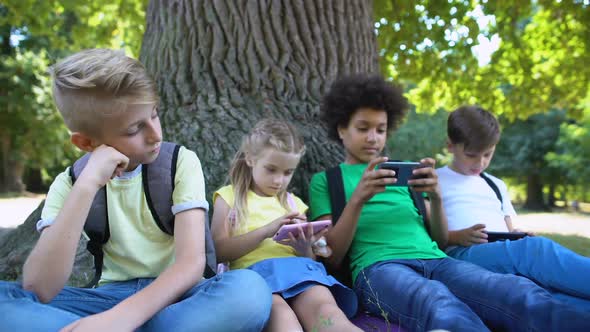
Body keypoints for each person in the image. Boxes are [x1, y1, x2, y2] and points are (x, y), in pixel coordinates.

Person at [0, 49, 271, 331]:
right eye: (134, 129)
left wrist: (118, 321)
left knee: (248, 290)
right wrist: (88, 184)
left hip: (178, 300)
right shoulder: (69, 183)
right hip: (105, 300)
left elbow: (192, 263)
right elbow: (40, 287)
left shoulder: (180, 162)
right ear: (86, 143)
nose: (156, 134)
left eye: (154, 115)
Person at [308, 74, 590, 332]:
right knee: (438, 302)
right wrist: (358, 199)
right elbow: (332, 256)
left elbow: (440, 241)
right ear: (342, 129)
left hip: (437, 260)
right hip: (379, 268)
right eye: (363, 128)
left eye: (381, 130)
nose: (373, 138)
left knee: (516, 291)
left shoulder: (402, 176)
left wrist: (436, 197)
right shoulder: (327, 181)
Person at [211, 119, 360, 332]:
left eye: (288, 172)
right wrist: (266, 231)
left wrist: (305, 247)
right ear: (251, 159)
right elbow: (218, 250)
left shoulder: (293, 203)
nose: (279, 180)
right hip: (256, 280)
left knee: (328, 313)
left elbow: (310, 259)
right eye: (271, 169)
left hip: (300, 273)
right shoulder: (229, 197)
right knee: (283, 321)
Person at [437, 105, 590, 310]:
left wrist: (517, 235)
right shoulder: (434, 179)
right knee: (536, 250)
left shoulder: (495, 185)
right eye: (472, 155)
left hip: (501, 253)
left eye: (487, 154)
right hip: (461, 255)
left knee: (551, 292)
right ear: (450, 145)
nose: (480, 162)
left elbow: (508, 230)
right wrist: (456, 237)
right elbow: (426, 234)